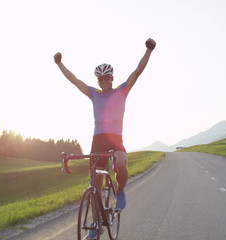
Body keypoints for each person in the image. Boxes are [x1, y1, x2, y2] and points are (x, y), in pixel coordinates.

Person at [54, 38, 156, 239]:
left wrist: (149, 51)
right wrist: (59, 64)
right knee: (94, 183)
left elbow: (137, 71)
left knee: (121, 161)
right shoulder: (94, 94)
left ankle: (121, 191)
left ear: (111, 77)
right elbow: (74, 80)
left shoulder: (121, 92)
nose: (103, 81)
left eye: (106, 77)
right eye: (100, 79)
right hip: (97, 139)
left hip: (115, 138)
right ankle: (95, 223)